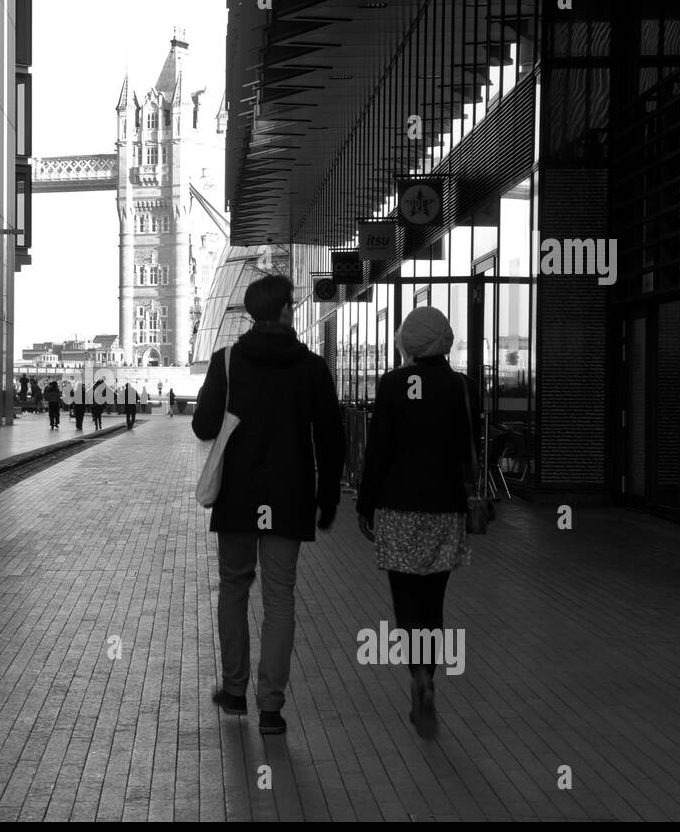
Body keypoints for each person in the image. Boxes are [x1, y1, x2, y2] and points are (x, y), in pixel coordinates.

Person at [193, 274, 346, 735]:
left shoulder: (227, 362)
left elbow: (202, 426)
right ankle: (271, 710)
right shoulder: (313, 367)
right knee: (280, 599)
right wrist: (328, 497)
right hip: (289, 494)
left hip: (238, 498)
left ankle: (235, 691)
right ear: (285, 311)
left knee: (234, 588)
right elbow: (331, 438)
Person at [354, 305, 480, 740]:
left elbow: (379, 452)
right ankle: (429, 675)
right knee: (433, 602)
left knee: (406, 602)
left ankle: (418, 675)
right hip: (445, 509)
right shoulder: (462, 387)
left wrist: (364, 505)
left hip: (398, 508)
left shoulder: (391, 384)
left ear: (408, 340)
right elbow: (467, 449)